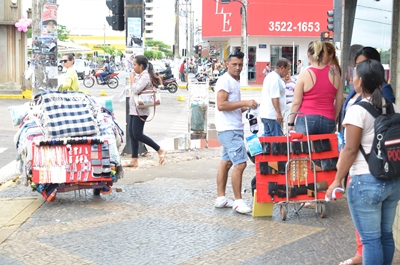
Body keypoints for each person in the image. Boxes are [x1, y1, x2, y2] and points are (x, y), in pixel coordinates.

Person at [326, 59, 400, 265]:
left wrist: (336, 181)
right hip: (392, 181)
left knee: (370, 240)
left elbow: (350, 149)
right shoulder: (391, 106)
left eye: (354, 75)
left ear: (359, 81)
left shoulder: (357, 110)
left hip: (366, 181)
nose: (352, 78)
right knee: (386, 235)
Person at [214, 50, 258, 214]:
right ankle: (238, 201)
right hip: (229, 130)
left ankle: (221, 198)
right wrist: (243, 102)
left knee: (226, 164)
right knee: (240, 163)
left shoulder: (233, 81)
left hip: (231, 128)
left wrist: (244, 107)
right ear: (226, 64)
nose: (238, 67)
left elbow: (230, 106)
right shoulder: (225, 81)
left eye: (240, 64)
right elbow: (221, 105)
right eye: (234, 64)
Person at [287, 41, 343, 134]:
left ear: (308, 54)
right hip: (328, 120)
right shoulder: (335, 74)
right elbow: (340, 99)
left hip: (306, 118)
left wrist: (290, 123)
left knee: (304, 148)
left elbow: (296, 102)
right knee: (326, 148)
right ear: (323, 54)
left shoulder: (305, 74)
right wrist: (333, 117)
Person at [124, 55, 167, 168]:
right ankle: (134, 160)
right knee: (132, 134)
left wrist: (132, 78)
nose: (133, 67)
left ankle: (160, 149)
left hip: (141, 110)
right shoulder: (141, 76)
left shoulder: (145, 76)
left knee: (137, 134)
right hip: (135, 109)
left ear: (141, 65)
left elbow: (136, 89)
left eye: (134, 65)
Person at [259, 58, 291, 136]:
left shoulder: (271, 76)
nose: (288, 72)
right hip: (273, 116)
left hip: (267, 114)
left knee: (268, 140)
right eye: (287, 69)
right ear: (282, 68)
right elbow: (274, 97)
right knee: (278, 141)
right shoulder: (275, 79)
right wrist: (278, 113)